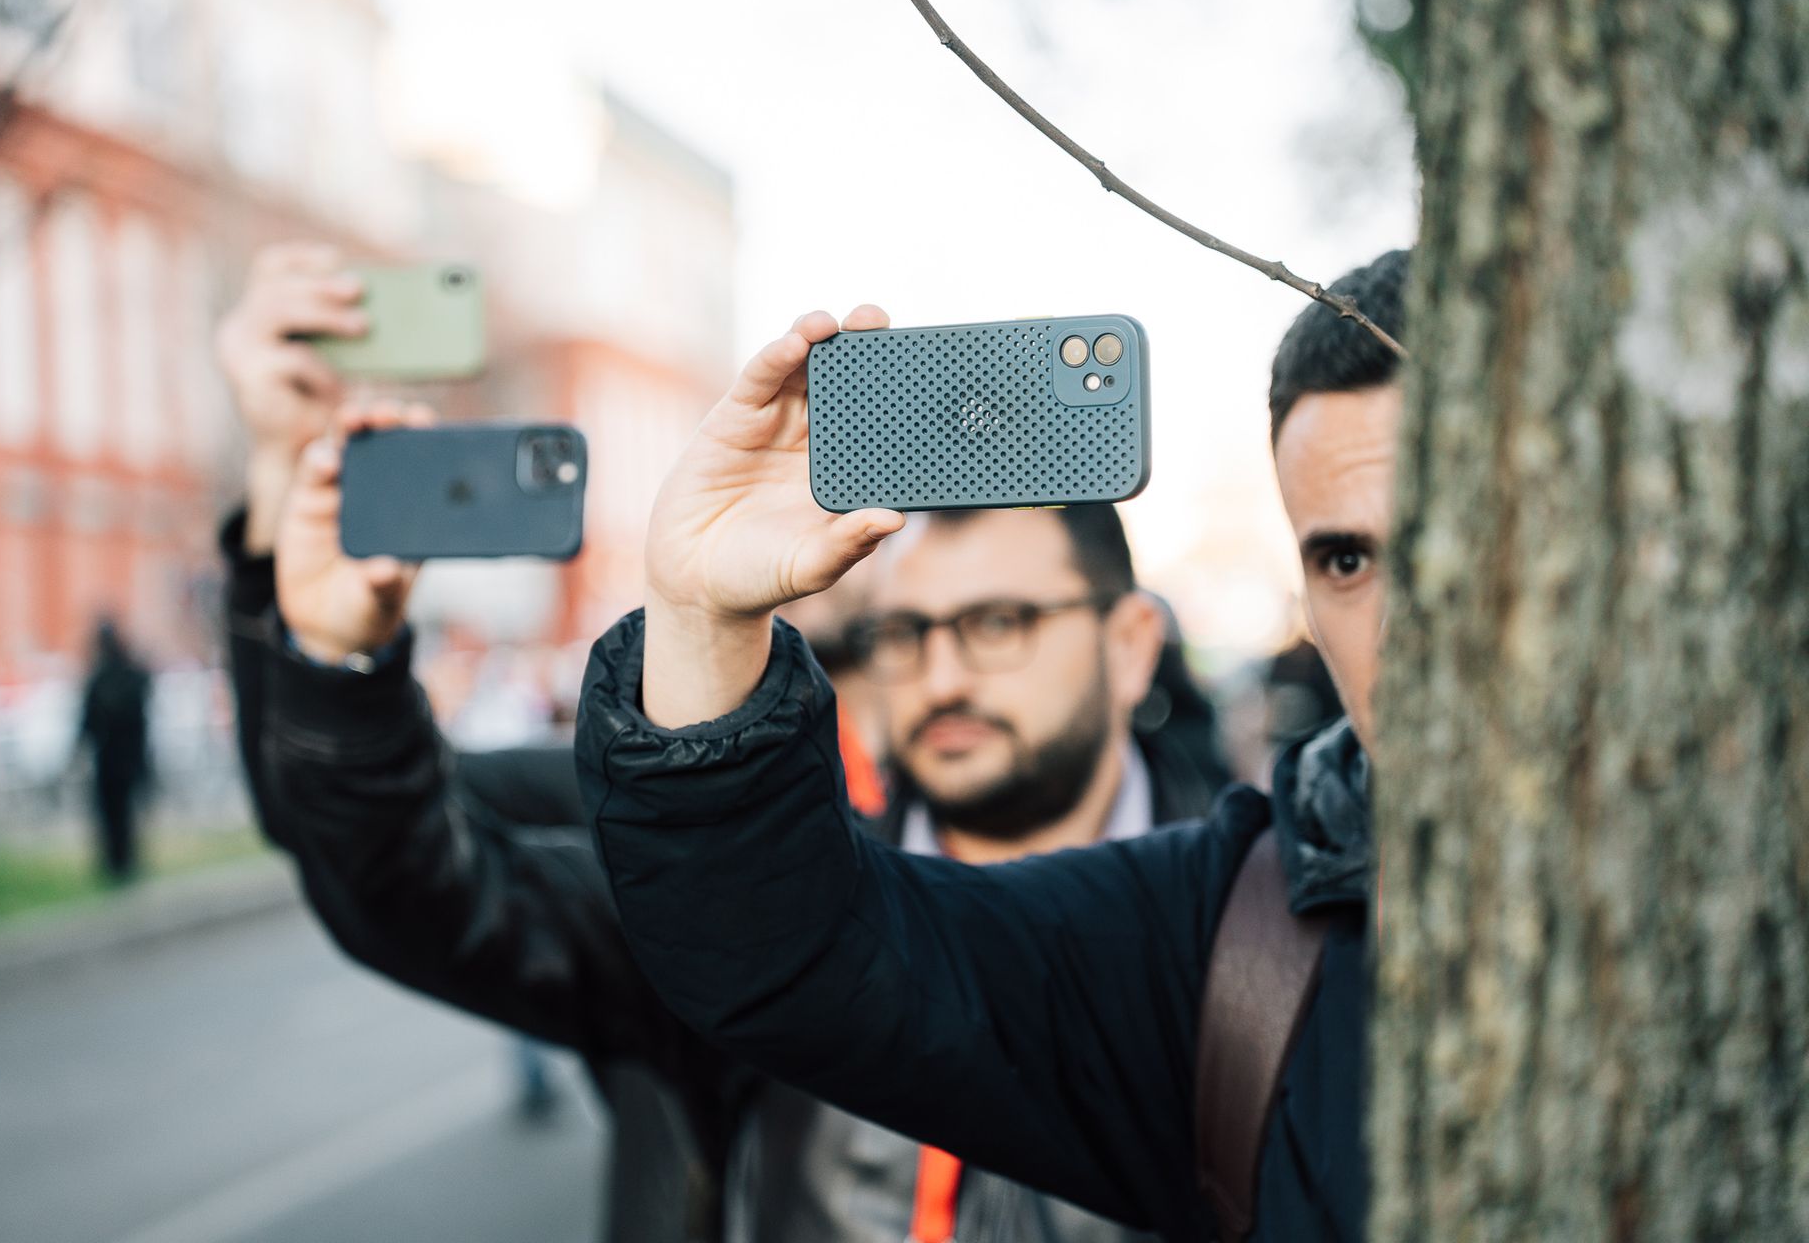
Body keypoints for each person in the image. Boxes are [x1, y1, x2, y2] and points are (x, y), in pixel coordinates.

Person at [214, 243, 1224, 1243]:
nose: (945, 673)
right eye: (909, 632)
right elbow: (404, 875)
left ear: (1132, 643)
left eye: (1000, 622)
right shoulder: (747, 907)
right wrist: (332, 652)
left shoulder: (1243, 942)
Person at [573, 250, 1412, 1240]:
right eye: (1349, 558)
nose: (1416, 615)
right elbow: (787, 948)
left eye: (1000, 621)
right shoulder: (1235, 932)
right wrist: (703, 615)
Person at [77, 618, 154, 884]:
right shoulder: (124, 675)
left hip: (112, 758)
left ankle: (118, 862)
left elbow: (87, 721)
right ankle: (121, 862)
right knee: (121, 813)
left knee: (114, 813)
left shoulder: (102, 678)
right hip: (124, 757)